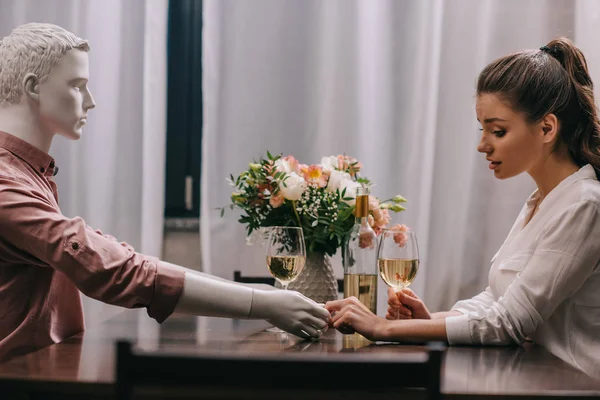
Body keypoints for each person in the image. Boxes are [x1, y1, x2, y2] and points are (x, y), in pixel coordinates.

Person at [0, 22, 329, 362]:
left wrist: (260, 297)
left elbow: (115, 256)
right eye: (77, 86)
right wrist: (263, 304)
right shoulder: (6, 185)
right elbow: (107, 266)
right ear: (33, 87)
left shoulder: (28, 175)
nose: (91, 101)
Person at [325, 37, 600, 375]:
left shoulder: (585, 205)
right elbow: (495, 300)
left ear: (546, 128)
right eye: (483, 129)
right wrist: (428, 321)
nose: (482, 145)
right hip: (533, 378)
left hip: (573, 384)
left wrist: (383, 328)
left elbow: (508, 323)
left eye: (497, 131)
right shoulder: (542, 201)